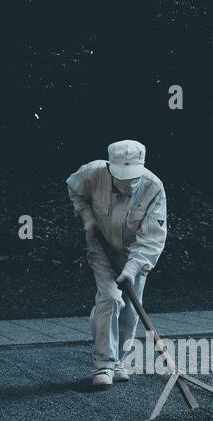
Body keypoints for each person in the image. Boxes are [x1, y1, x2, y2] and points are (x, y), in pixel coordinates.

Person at [65, 140, 168, 387]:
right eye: (122, 178)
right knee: (110, 299)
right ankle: (103, 366)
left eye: (132, 178)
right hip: (101, 249)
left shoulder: (153, 187)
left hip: (135, 253)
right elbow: (75, 190)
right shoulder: (92, 174)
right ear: (111, 169)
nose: (128, 183)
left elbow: (153, 237)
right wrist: (88, 217)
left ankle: (119, 362)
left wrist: (132, 269)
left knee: (132, 308)